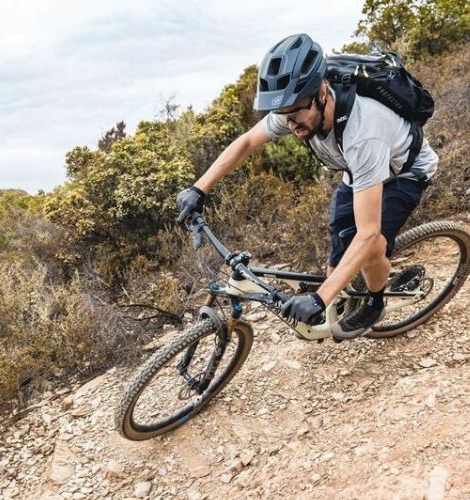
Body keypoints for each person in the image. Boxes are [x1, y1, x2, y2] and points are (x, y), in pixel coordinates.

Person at [175, 33, 438, 341]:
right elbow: (246, 142)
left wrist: (319, 299)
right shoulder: (294, 108)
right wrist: (199, 188)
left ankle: (375, 302)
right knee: (340, 241)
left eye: (297, 113)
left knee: (370, 245)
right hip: (357, 171)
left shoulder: (363, 130)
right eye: (283, 116)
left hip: (405, 172)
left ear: (322, 92)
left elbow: (367, 234)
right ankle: (344, 295)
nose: (291, 124)